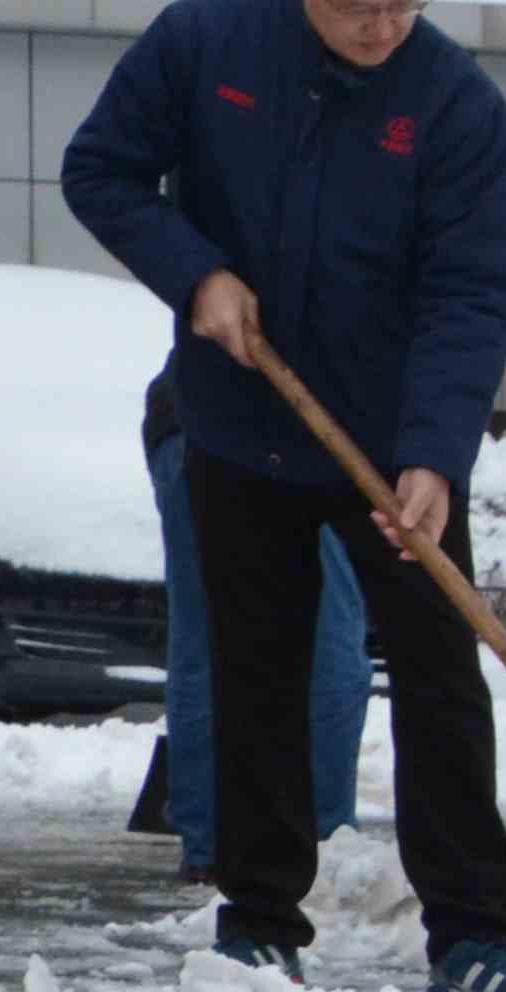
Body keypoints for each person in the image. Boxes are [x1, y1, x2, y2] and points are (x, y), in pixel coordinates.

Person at [61, 0, 506, 992]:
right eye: (359, 7)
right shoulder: (206, 45)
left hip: (392, 444)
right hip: (241, 419)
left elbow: (473, 289)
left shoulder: (454, 103)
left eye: (406, 4)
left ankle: (474, 937)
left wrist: (435, 455)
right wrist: (196, 273)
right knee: (257, 671)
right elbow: (100, 170)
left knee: (439, 677)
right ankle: (258, 921)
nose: (383, 29)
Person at [139, 363, 364, 877]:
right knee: (325, 636)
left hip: (192, 416)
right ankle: (323, 843)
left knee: (207, 635)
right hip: (296, 418)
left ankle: (212, 845)